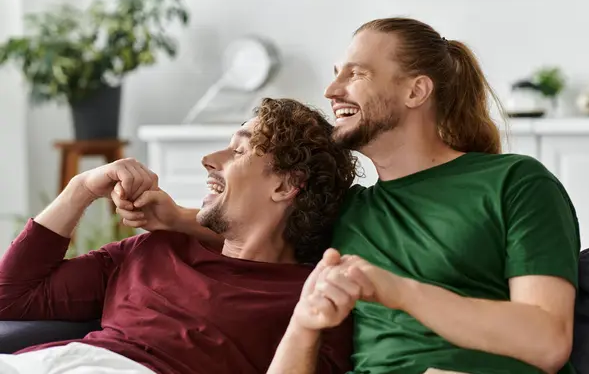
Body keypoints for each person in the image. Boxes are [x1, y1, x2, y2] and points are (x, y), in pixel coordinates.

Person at [142, 18, 580, 374]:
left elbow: (547, 341)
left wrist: (399, 291)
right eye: (336, 75)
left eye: (357, 74)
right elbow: (258, 233)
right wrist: (177, 217)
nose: (332, 92)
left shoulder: (514, 182)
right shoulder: (347, 211)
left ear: (416, 91)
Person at [0, 98, 358, 374]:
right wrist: (80, 189)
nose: (209, 159)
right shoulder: (154, 248)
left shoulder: (308, 299)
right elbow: (10, 298)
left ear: (286, 184)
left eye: (239, 151)